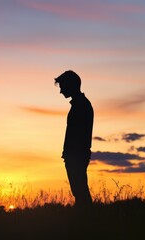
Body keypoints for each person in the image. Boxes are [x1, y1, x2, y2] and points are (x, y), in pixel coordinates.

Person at [54, 70, 93, 208]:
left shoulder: (81, 105)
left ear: (71, 85)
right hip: (75, 155)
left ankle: (86, 219)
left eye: (62, 87)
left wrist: (72, 154)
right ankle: (83, 218)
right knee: (79, 190)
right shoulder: (80, 105)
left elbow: (79, 134)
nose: (61, 91)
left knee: (80, 190)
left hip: (77, 155)